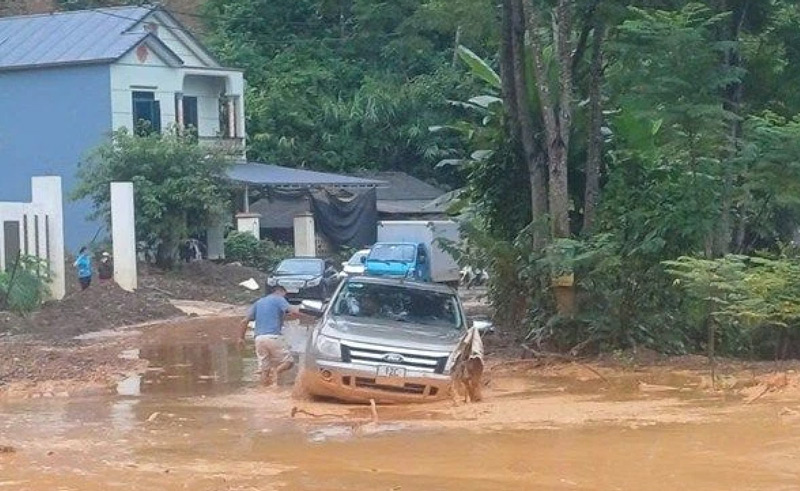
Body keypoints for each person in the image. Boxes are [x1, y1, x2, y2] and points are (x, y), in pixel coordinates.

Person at [239, 285, 310, 386]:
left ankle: (263, 391)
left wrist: (240, 338)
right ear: (281, 291)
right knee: (289, 362)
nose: (285, 298)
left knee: (264, 370)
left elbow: (244, 321)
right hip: (273, 337)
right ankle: (276, 373)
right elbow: (293, 312)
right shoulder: (279, 298)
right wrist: (309, 317)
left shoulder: (259, 302)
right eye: (285, 295)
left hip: (259, 338)